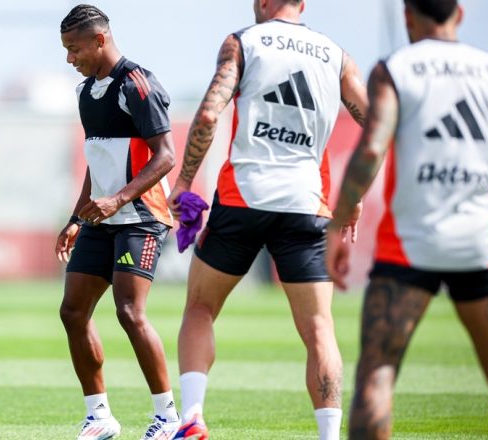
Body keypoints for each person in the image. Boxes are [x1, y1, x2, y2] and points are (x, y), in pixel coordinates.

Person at [166, 1, 369, 438]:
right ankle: (330, 435)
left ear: (261, 3)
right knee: (319, 328)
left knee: (200, 308)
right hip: (306, 203)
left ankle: (193, 419)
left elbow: (206, 114)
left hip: (244, 197)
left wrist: (184, 181)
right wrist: (352, 201)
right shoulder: (337, 55)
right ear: (304, 3)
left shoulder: (243, 41)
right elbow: (376, 126)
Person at [326, 0, 488, 437]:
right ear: (459, 14)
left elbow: (371, 149)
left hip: (410, 244)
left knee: (377, 374)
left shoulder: (396, 68)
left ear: (407, 16)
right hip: (481, 242)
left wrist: (338, 222)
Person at [56, 4, 180, 439]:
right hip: (102, 217)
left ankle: (167, 418)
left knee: (129, 312)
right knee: (72, 311)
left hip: (141, 217)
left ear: (100, 40)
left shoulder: (137, 84)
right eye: (66, 50)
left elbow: (166, 156)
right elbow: (99, 161)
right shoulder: (85, 93)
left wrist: (118, 200)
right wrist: (78, 215)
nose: (70, 59)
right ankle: (100, 417)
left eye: (74, 49)